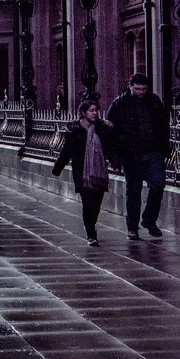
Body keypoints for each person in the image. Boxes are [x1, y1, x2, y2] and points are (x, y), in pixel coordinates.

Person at [107, 72, 170, 239]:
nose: (141, 92)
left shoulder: (154, 102)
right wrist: (115, 159)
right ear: (130, 87)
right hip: (131, 154)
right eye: (137, 89)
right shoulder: (120, 103)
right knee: (133, 191)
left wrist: (164, 149)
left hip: (153, 152)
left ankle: (149, 220)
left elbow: (163, 126)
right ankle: (132, 227)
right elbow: (110, 133)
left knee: (158, 185)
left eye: (143, 89)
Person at [52, 101, 114, 246]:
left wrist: (116, 163)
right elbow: (66, 151)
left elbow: (110, 148)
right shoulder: (75, 131)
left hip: (99, 172)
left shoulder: (102, 129)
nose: (95, 113)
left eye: (96, 110)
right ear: (83, 113)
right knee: (88, 202)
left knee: (97, 203)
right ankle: (91, 233)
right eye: (91, 110)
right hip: (82, 173)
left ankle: (91, 223)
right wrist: (58, 168)